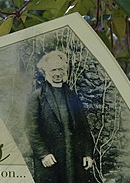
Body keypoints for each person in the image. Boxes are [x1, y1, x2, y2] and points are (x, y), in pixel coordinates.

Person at [25, 50, 94, 183]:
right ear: (45, 73)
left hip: (74, 158)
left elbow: (83, 127)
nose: (58, 73)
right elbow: (31, 129)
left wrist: (87, 154)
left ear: (66, 71)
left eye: (61, 69)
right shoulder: (37, 97)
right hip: (51, 158)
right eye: (53, 70)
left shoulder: (72, 95)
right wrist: (43, 154)